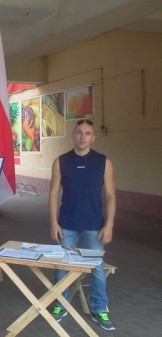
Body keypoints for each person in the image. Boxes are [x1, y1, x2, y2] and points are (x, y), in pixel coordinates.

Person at [48, 119, 116, 331]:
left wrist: (109, 225)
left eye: (87, 133)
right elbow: (52, 193)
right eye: (79, 132)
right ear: (73, 135)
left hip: (94, 226)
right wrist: (53, 222)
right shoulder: (61, 161)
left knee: (96, 270)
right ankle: (61, 305)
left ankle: (100, 309)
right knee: (63, 267)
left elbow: (111, 195)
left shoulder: (104, 162)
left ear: (93, 137)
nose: (83, 136)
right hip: (66, 223)